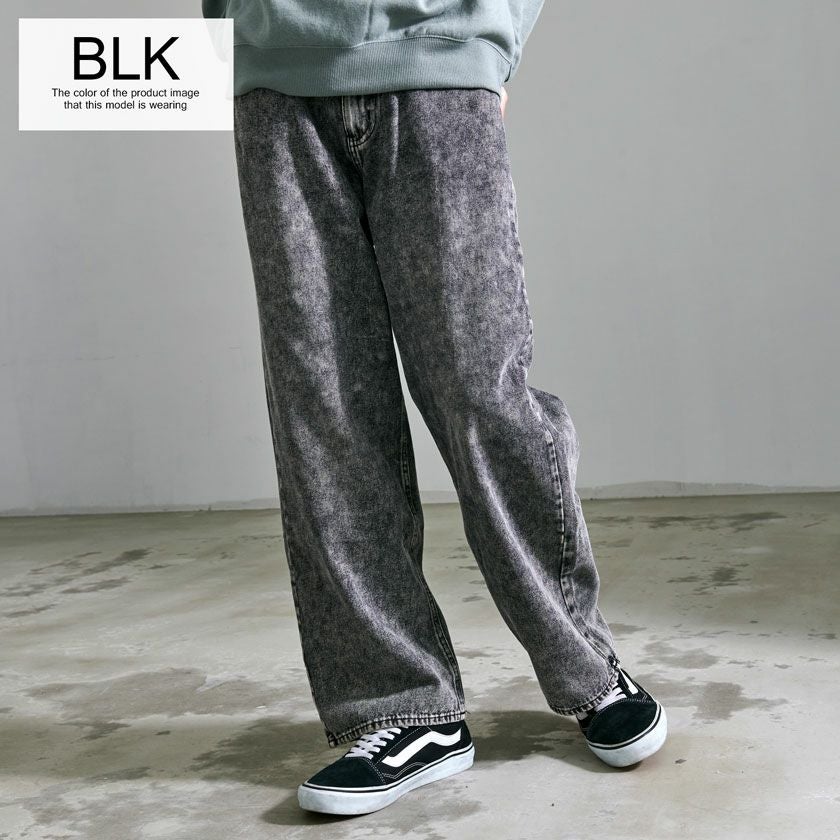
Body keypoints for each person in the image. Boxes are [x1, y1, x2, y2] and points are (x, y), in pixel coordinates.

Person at [202, 0, 668, 816]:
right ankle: (402, 707)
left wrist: (495, 47)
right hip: (277, 82)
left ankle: (586, 665)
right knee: (324, 412)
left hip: (439, 64)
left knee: (479, 390)